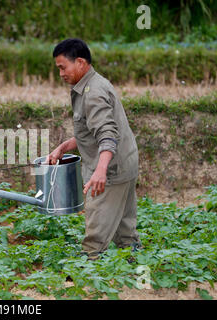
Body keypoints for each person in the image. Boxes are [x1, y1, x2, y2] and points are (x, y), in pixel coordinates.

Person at [46, 38, 142, 260]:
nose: (61, 74)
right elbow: (91, 133)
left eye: (63, 67)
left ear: (80, 62)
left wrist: (100, 171)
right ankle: (133, 268)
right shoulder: (91, 84)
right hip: (125, 163)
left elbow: (107, 134)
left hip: (111, 170)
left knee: (96, 232)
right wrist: (64, 146)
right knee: (125, 230)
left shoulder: (93, 93)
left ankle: (89, 277)